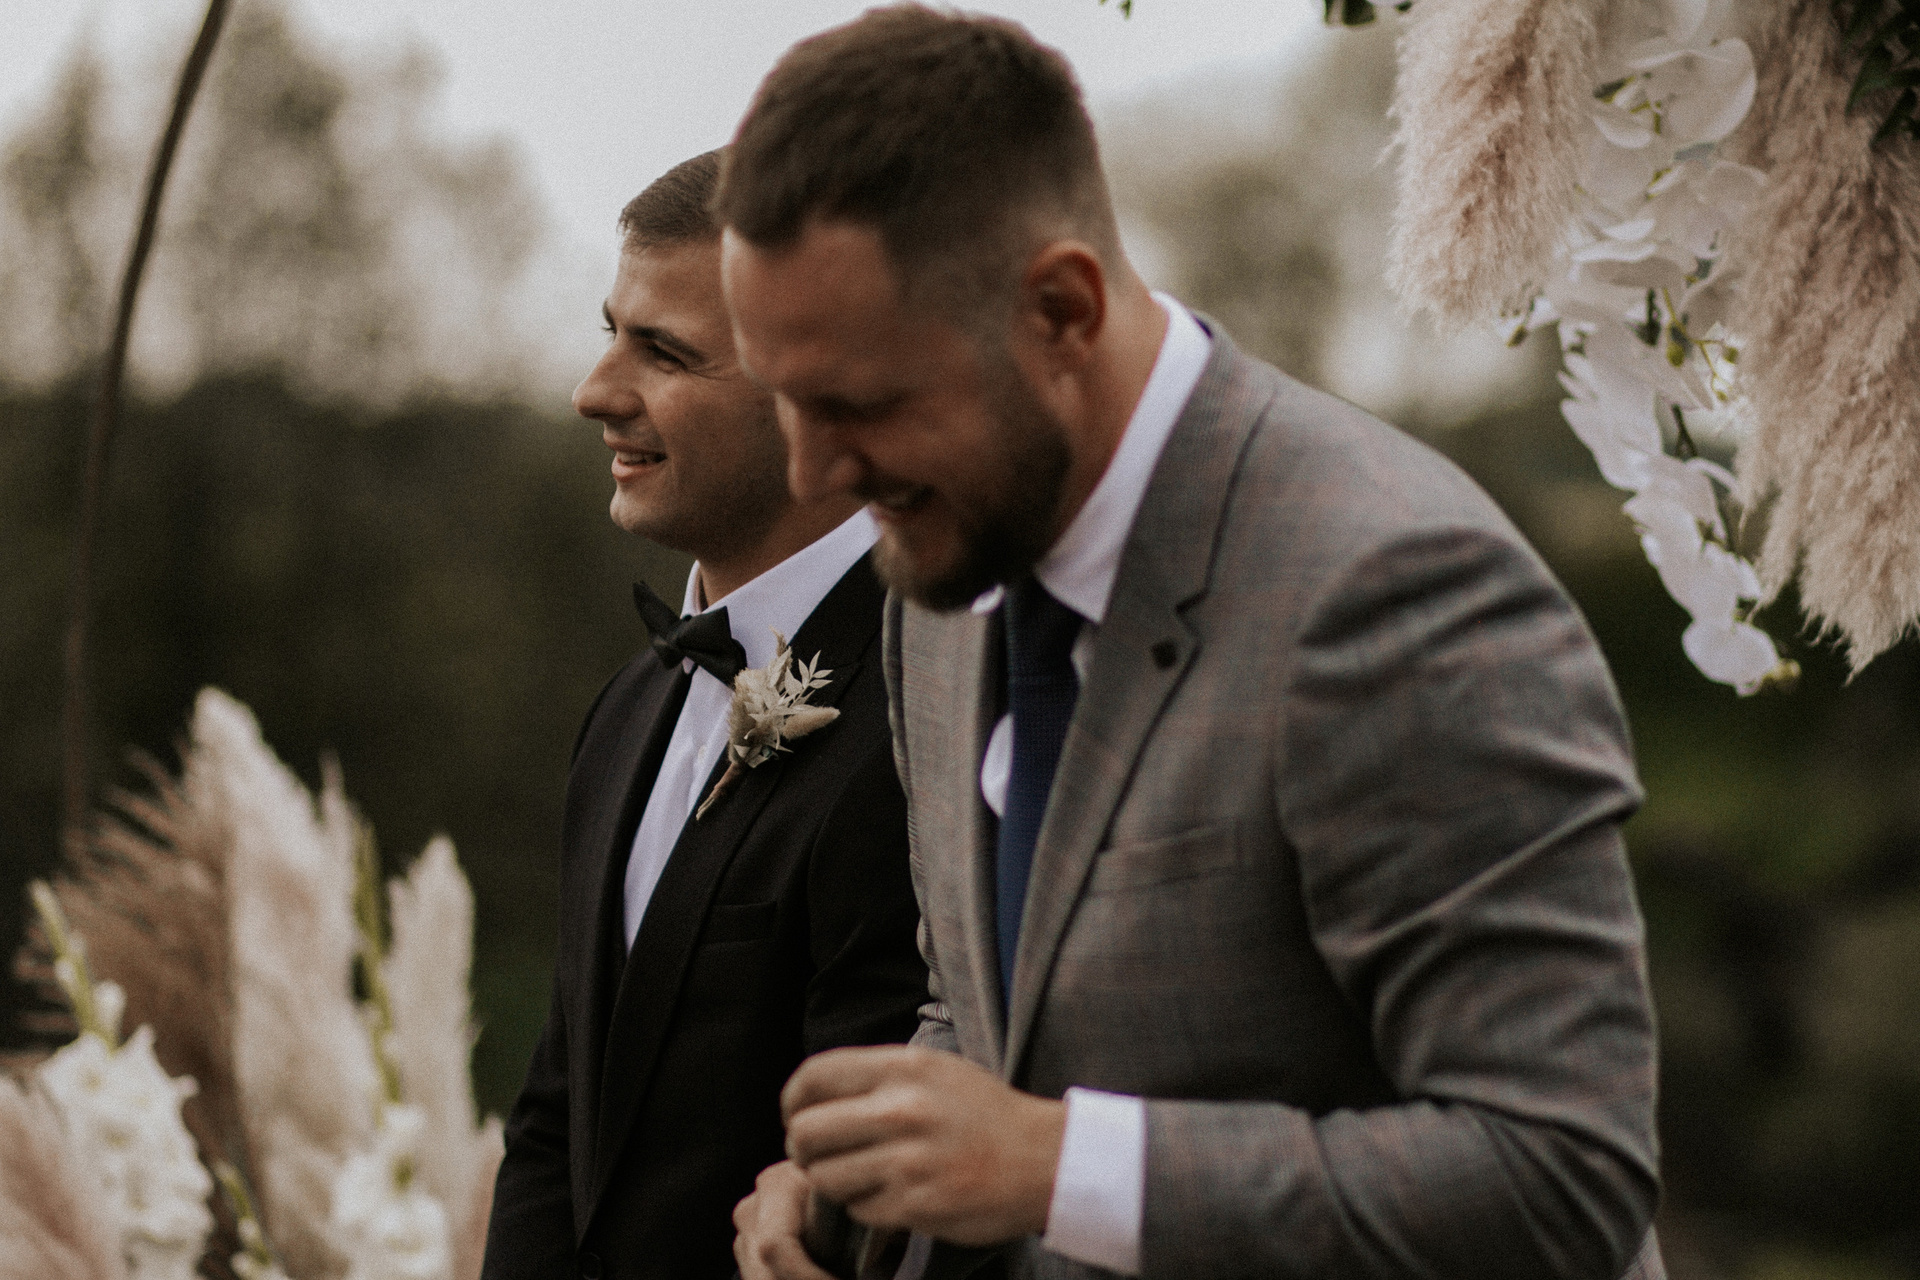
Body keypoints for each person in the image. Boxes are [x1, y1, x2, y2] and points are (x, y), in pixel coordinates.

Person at [717, 9, 1665, 1280]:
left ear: (1061, 308)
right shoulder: (937, 579)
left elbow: (1560, 1173)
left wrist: (1054, 1166)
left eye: (861, 403)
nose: (813, 472)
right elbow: (991, 1007)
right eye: (785, 399)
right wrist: (858, 1181)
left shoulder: (1395, 589)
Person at [479, 150, 928, 1280]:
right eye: (610, 332)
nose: (595, 391)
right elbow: (557, 1120)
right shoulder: (626, 711)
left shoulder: (924, 716)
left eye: (664, 352)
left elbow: (875, 1168)